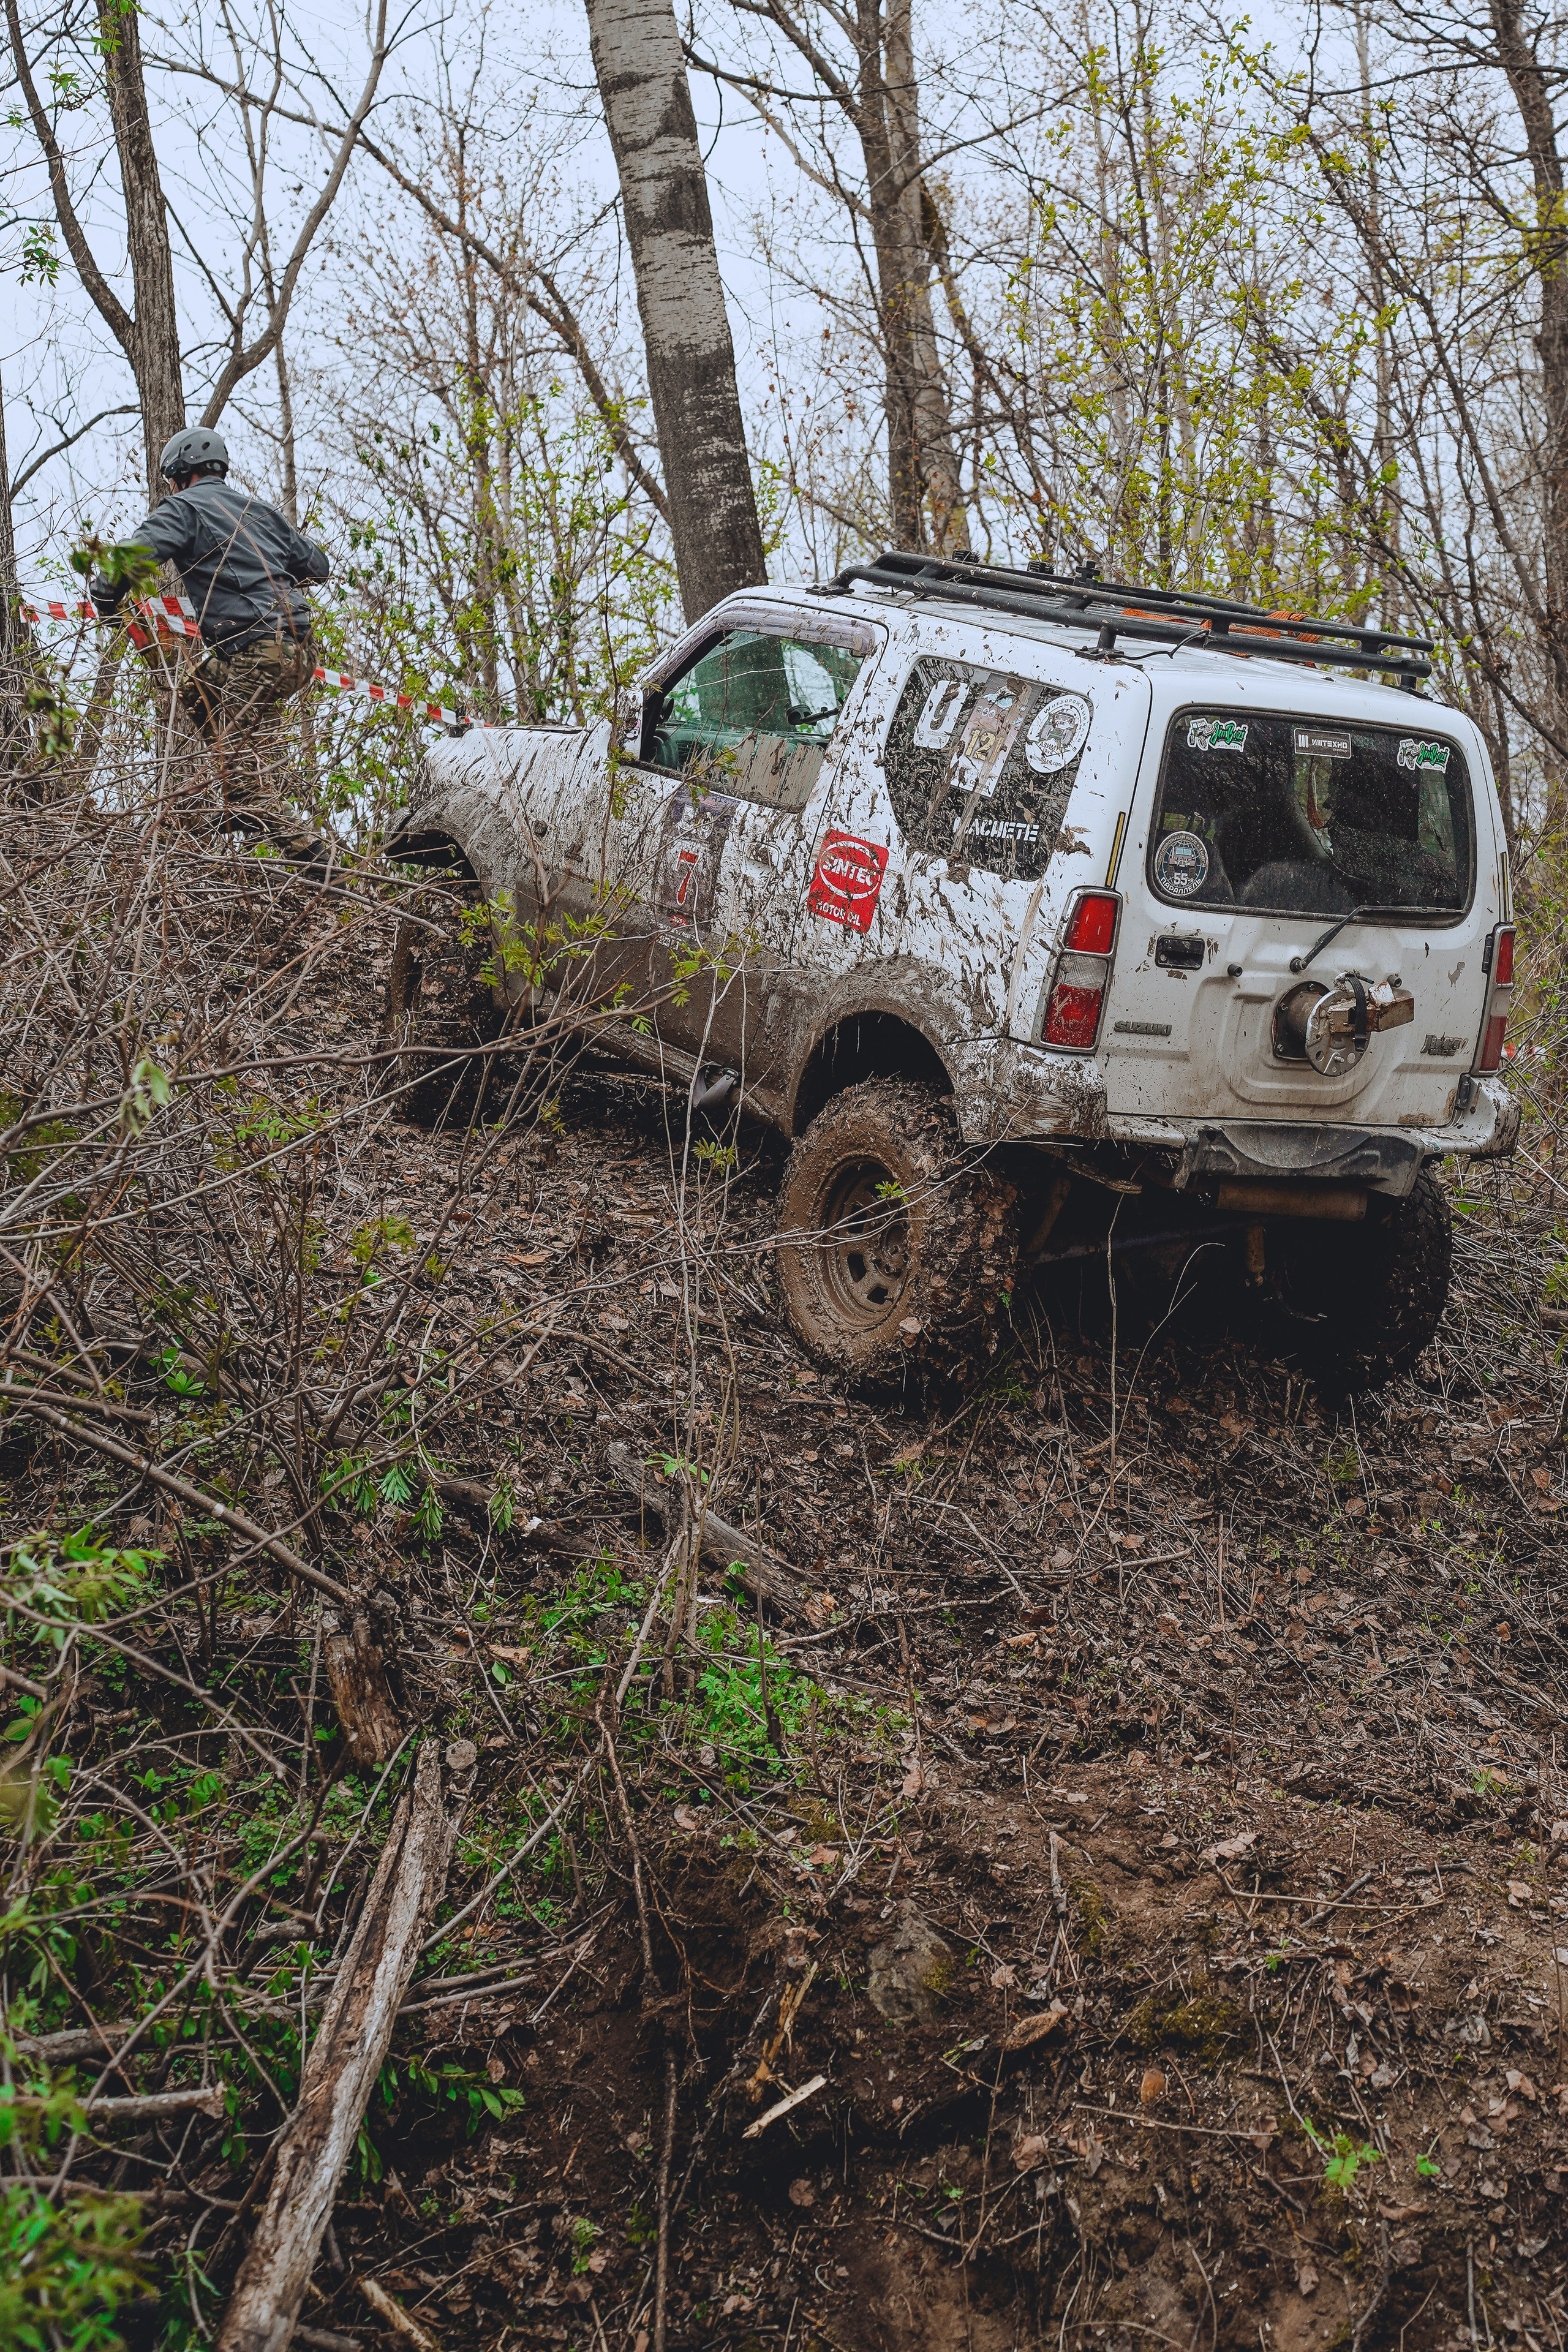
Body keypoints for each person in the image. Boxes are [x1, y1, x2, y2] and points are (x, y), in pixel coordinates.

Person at [91, 427, 331, 865]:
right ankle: (243, 779)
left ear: (182, 472)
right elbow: (317, 566)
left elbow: (132, 555)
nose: (171, 488)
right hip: (298, 651)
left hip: (258, 652)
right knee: (196, 686)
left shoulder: (184, 508)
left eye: (171, 480)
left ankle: (322, 866)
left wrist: (105, 596)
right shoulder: (261, 512)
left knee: (244, 788)